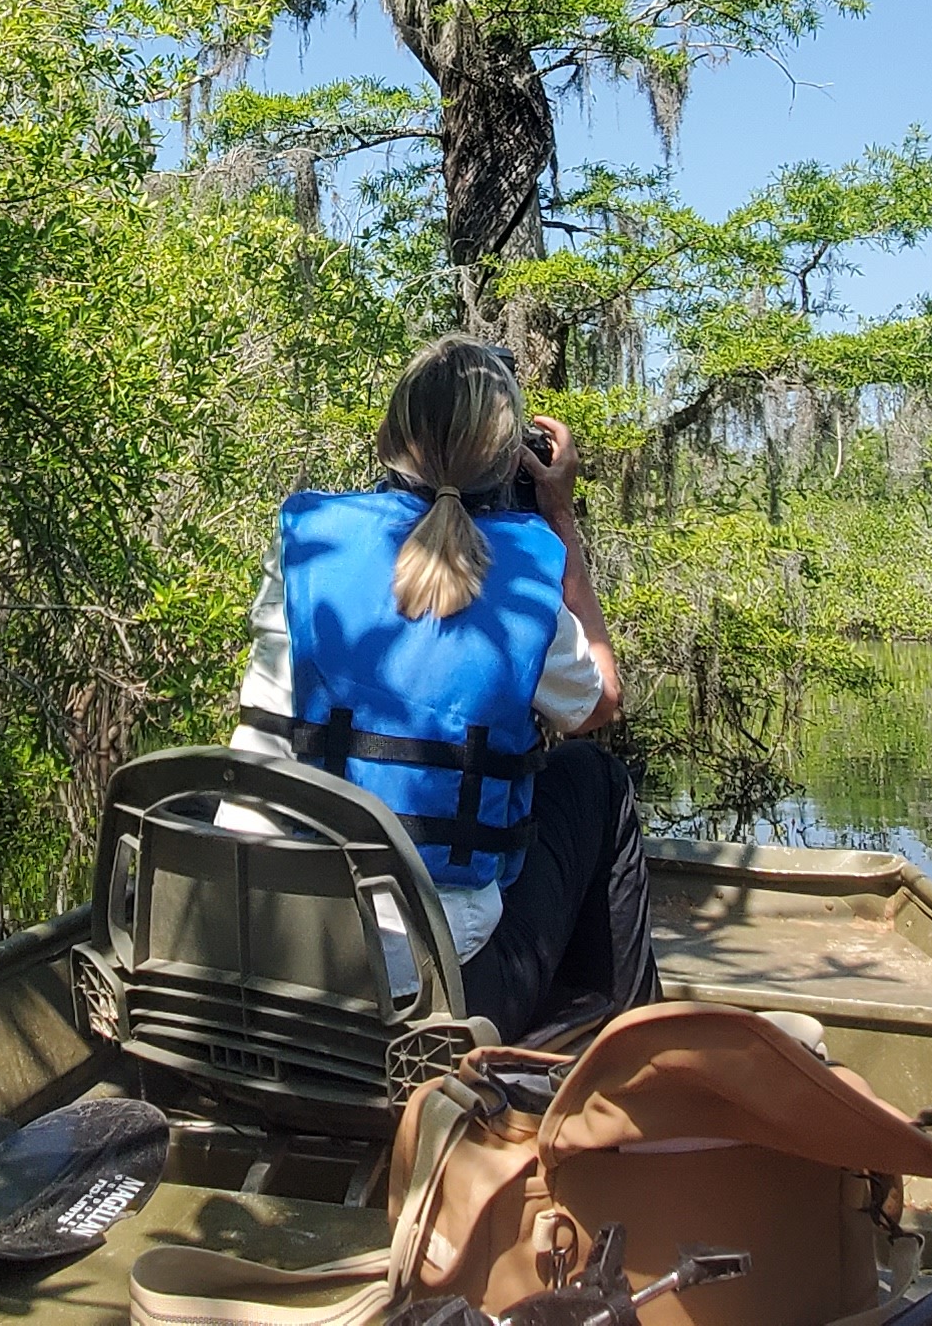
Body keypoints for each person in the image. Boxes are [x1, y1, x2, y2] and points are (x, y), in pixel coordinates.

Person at [230, 337, 656, 1036]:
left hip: (280, 958)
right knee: (593, 779)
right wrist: (560, 518)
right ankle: (632, 1058)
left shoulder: (308, 546)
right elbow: (601, 701)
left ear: (389, 438)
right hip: (438, 997)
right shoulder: (522, 572)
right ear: (507, 460)